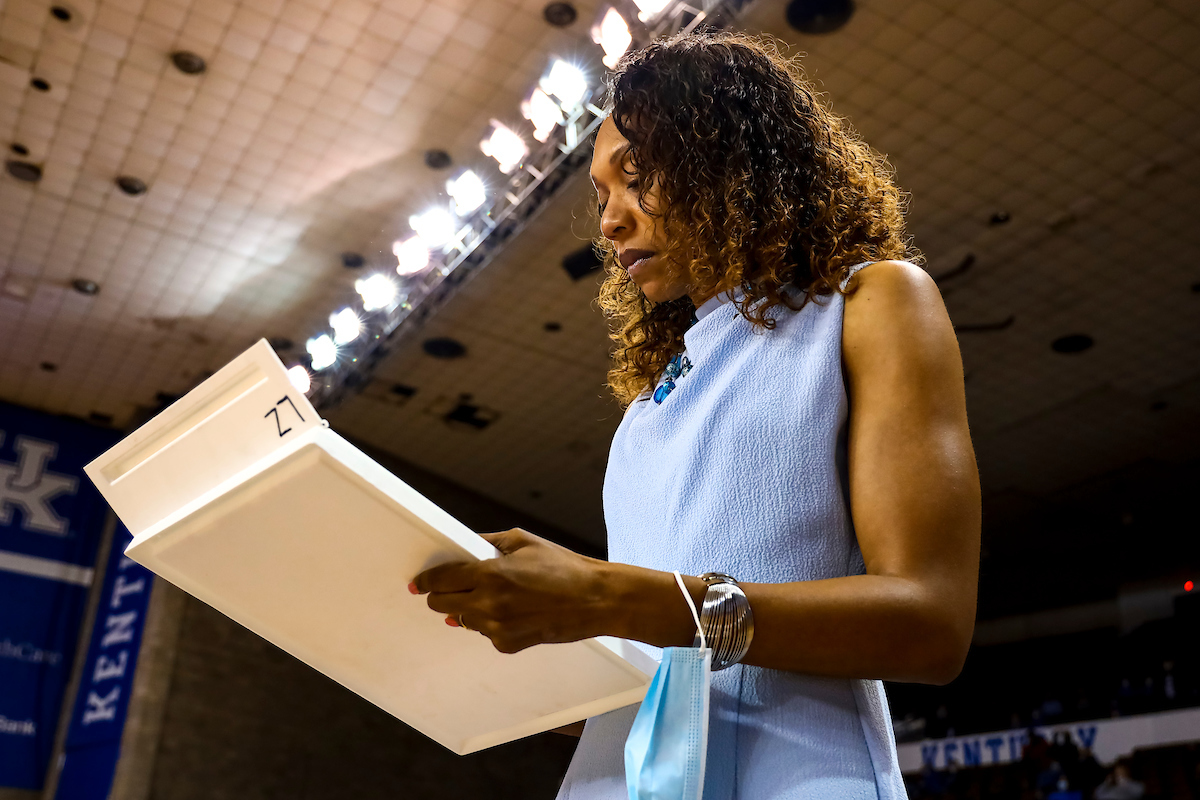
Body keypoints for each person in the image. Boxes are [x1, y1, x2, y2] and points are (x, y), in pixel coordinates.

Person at [410, 31, 981, 799]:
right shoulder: (644, 411)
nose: (609, 221)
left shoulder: (871, 302)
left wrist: (610, 595)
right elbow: (657, 664)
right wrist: (539, 643)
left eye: (636, 177)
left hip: (802, 773)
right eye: (601, 196)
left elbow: (931, 623)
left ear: (727, 161)